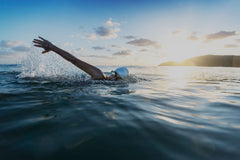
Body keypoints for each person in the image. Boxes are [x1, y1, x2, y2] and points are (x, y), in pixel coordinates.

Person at [33, 36, 129, 81]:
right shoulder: (99, 74)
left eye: (116, 78)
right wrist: (53, 47)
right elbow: (75, 61)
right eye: (113, 74)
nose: (112, 78)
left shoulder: (103, 82)